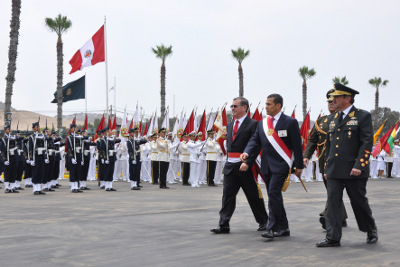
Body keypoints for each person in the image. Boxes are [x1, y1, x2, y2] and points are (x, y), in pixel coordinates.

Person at [316, 83, 378, 247]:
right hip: (334, 170)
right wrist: (327, 168)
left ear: (347, 98)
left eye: (336, 97)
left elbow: (366, 144)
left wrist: (360, 165)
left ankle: (370, 229)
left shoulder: (362, 116)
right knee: (333, 203)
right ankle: (333, 237)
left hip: (354, 169)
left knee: (358, 201)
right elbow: (329, 145)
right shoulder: (331, 118)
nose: (333, 99)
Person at [241, 94, 303, 239]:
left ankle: (271, 227)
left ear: (278, 106)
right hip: (267, 165)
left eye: (269, 104)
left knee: (274, 193)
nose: (266, 107)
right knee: (274, 196)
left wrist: (298, 166)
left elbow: (297, 145)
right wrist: (246, 153)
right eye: (266, 104)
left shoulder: (290, 122)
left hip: (282, 164)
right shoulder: (262, 123)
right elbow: (254, 141)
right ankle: (284, 227)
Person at [211, 97, 268, 234]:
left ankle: (263, 221)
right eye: (232, 106)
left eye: (235, 106)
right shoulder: (230, 125)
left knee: (253, 196)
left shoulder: (253, 124)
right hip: (231, 166)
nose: (233, 109)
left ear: (244, 107)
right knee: (227, 197)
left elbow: (255, 145)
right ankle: (223, 224)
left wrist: (247, 162)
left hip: (245, 166)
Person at [303, 89, 348, 229]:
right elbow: (312, 141)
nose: (331, 104)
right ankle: (341, 218)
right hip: (325, 163)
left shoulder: (347, 120)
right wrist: (306, 156)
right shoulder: (321, 122)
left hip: (342, 162)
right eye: (329, 101)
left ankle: (328, 215)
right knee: (332, 191)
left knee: (334, 190)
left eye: (333, 101)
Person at [66, 124, 83, 193]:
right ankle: (73, 187)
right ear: (71, 129)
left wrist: (81, 158)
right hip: (73, 157)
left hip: (78, 156)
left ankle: (76, 187)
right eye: (75, 128)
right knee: (73, 172)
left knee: (77, 172)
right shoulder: (69, 138)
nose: (76, 129)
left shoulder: (78, 137)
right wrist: (71, 157)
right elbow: (69, 149)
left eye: (76, 127)